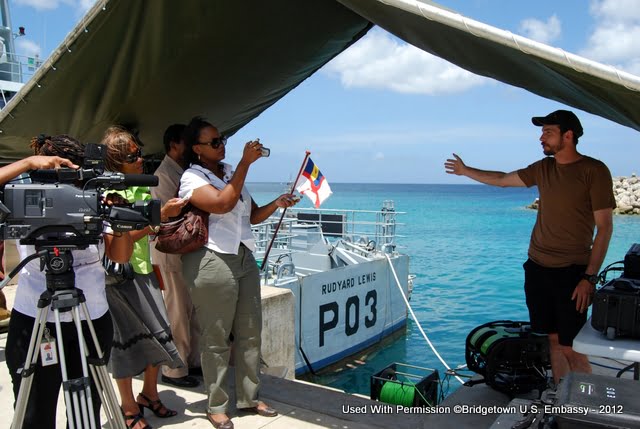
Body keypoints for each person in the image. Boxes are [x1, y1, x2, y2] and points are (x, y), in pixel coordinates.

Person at [444, 109, 615, 384]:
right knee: (553, 340)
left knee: (572, 347)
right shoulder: (543, 168)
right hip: (537, 268)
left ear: (568, 135)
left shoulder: (593, 171)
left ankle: (587, 403)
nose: (541, 138)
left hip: (572, 272)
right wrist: (465, 171)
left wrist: (589, 278)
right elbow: (502, 180)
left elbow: (604, 228)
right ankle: (559, 398)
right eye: (542, 132)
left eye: (548, 132)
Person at [4, 136, 134, 429]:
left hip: (89, 318)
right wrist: (27, 163)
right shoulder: (23, 196)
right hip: (36, 320)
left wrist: (120, 223)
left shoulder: (92, 197)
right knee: (34, 412)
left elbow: (120, 256)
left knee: (85, 412)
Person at [179, 116, 298, 429]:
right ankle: (216, 405)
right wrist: (246, 164)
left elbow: (252, 215)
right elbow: (221, 204)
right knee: (216, 336)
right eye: (214, 142)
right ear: (197, 149)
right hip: (212, 258)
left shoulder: (230, 173)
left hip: (243, 257)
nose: (222, 146)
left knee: (250, 331)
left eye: (222, 140)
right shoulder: (192, 177)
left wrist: (277, 203)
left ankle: (249, 397)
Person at [102, 126, 186, 429]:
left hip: (145, 268)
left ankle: (149, 394)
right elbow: (117, 243)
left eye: (139, 153)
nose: (140, 159)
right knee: (124, 343)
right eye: (132, 156)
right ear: (116, 162)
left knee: (159, 334)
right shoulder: (110, 195)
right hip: (120, 277)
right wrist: (158, 219)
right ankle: (128, 406)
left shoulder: (140, 186)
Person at [150, 123, 201, 388]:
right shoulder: (164, 174)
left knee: (190, 310)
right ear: (173, 145)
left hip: (183, 253)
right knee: (177, 311)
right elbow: (170, 214)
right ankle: (174, 370)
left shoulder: (180, 171)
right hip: (170, 253)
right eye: (187, 142)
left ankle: (191, 361)